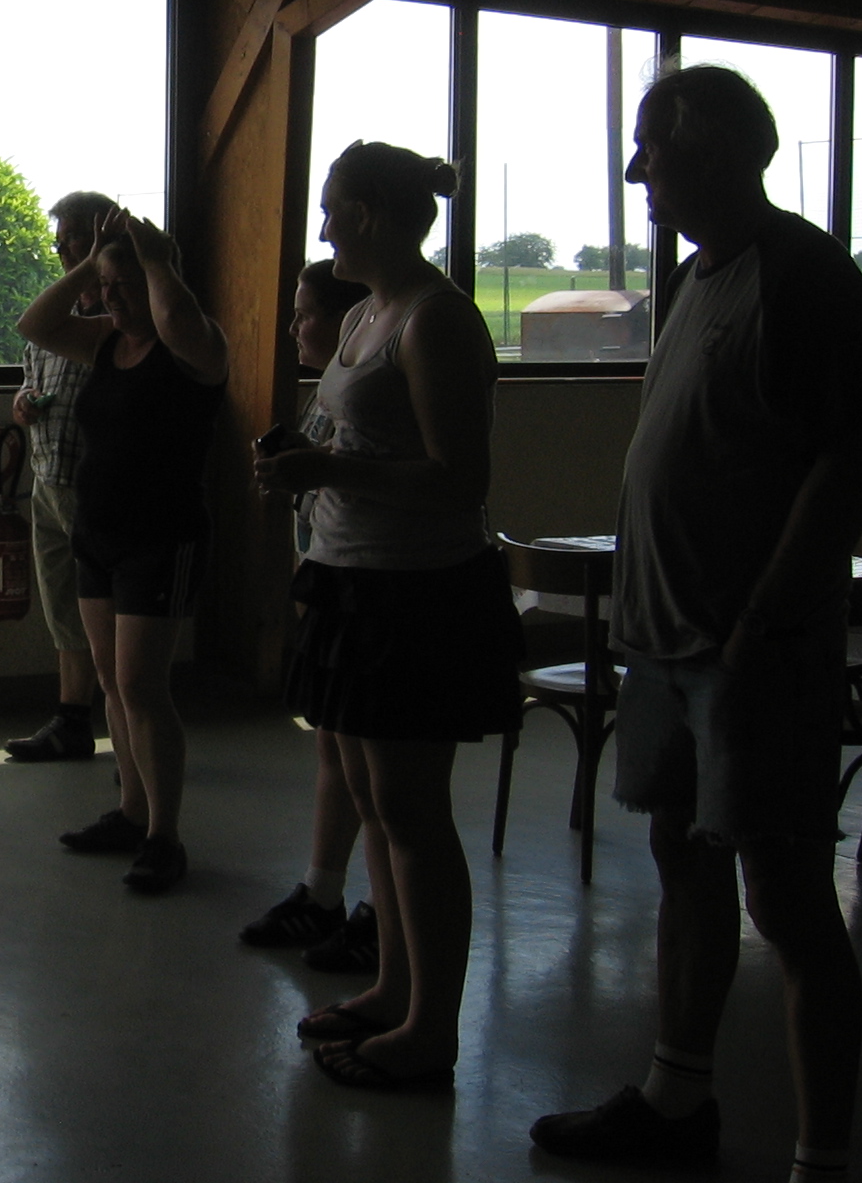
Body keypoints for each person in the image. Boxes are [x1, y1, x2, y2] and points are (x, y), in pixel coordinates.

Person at [531, 66, 862, 1183]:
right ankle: (675, 1100)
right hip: (665, 640)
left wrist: (766, 617)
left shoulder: (803, 275)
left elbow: (847, 462)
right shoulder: (694, 277)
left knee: (783, 896)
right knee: (681, 859)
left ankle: (821, 1159)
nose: (636, 168)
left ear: (722, 150)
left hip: (748, 649)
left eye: (654, 145)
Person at [257, 141, 521, 1089]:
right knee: (376, 804)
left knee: (413, 814)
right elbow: (357, 436)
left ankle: (431, 1031)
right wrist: (306, 460)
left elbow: (461, 478)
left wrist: (325, 468)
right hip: (355, 582)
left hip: (417, 593)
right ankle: (395, 990)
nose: (323, 226)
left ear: (368, 214)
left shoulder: (436, 319)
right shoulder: (369, 312)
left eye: (332, 208)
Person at [19, 210, 228, 894]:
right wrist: (93, 262)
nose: (109, 298)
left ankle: (165, 834)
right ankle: (132, 812)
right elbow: (36, 324)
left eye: (122, 285)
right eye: (104, 287)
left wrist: (155, 259)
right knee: (111, 682)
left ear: (158, 282)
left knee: (142, 686)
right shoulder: (107, 344)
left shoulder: (194, 346)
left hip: (160, 538)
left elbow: (179, 320)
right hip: (98, 535)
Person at [241, 258, 379, 974]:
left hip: (370, 588)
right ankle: (323, 891)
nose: (294, 327)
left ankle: (382, 914)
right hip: (327, 581)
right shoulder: (326, 394)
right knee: (335, 749)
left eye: (305, 314)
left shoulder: (374, 399)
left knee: (379, 771)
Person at [3, 190, 116, 763]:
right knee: (65, 612)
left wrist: (100, 264)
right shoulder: (56, 319)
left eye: (71, 237)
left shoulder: (123, 317)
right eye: (60, 240)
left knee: (109, 613)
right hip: (47, 480)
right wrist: (23, 403)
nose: (61, 249)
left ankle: (130, 737)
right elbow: (31, 375)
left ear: (99, 236)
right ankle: (72, 722)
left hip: (96, 488)